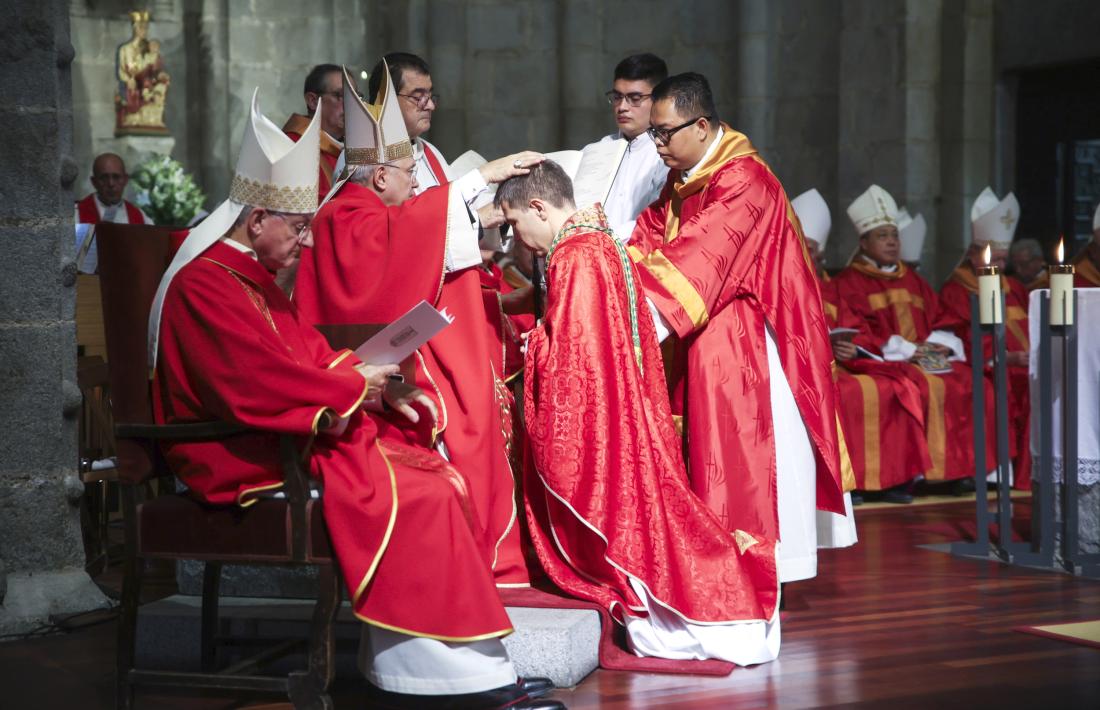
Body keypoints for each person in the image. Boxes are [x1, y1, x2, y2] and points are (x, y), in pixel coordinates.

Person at [146, 92, 560, 710]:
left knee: (433, 471)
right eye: (298, 226)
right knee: (420, 489)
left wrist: (375, 384)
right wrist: (350, 388)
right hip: (238, 455)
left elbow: (303, 354)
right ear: (258, 220)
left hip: (275, 435)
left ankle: (452, 670)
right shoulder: (206, 284)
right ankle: (453, 682)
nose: (307, 242)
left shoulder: (250, 278)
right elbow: (250, 384)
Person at [499, 160, 780, 665]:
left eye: (516, 224)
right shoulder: (600, 242)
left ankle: (698, 611)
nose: (520, 239)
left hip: (608, 420)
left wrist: (532, 346)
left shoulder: (577, 256)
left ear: (538, 207)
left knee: (636, 530)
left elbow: (576, 361)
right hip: (628, 408)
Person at [294, 63, 544, 588]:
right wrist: (481, 179)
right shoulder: (346, 213)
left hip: (375, 368)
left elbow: (410, 239)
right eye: (410, 176)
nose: (415, 188)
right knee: (463, 409)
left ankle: (478, 557)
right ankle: (468, 564)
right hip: (356, 384)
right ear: (380, 174)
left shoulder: (364, 210)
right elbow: (403, 241)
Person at [626, 73, 846, 586]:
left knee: (748, 461)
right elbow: (646, 239)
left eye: (663, 133)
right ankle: (713, 568)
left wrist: (621, 306)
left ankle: (759, 571)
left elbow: (699, 261)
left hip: (748, 346)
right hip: (706, 334)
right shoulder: (682, 179)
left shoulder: (744, 179)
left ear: (701, 126)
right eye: (653, 135)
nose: (656, 145)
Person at [830, 185, 993, 487]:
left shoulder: (914, 279)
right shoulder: (849, 283)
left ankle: (958, 472)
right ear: (863, 242)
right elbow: (855, 331)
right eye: (882, 236)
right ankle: (919, 473)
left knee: (972, 382)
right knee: (917, 386)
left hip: (925, 356)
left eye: (894, 235)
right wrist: (906, 350)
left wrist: (941, 344)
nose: (892, 242)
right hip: (889, 361)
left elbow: (943, 318)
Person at [792, 189, 930, 508]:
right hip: (804, 368)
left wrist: (854, 349)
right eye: (803, 249)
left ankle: (891, 480)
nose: (808, 256)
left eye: (814, 251)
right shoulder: (781, 284)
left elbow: (859, 329)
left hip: (845, 364)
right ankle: (845, 481)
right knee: (849, 393)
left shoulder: (831, 287)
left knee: (892, 387)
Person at [937, 187, 1030, 489]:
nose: (999, 268)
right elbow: (958, 336)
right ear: (974, 254)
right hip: (987, 366)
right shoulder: (957, 289)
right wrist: (1004, 358)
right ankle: (994, 471)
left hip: (1024, 366)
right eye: (995, 259)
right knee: (992, 392)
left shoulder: (1014, 288)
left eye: (1004, 261)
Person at [581, 53, 670, 240]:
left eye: (635, 98)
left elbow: (658, 219)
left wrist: (601, 240)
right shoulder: (596, 150)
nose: (622, 107)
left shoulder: (667, 153)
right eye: (617, 97)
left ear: (659, 99)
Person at [367, 53, 450, 191]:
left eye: (430, 96)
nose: (431, 106)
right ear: (386, 101)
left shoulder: (430, 151)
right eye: (418, 97)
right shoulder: (363, 161)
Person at [283, 63, 345, 198]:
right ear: (313, 101)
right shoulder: (293, 147)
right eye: (341, 95)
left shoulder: (351, 149)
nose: (351, 105)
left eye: (355, 97)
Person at [74, 153, 154, 225]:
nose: (111, 184)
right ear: (94, 182)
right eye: (104, 178)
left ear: (125, 180)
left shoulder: (140, 217)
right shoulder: (77, 214)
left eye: (116, 177)